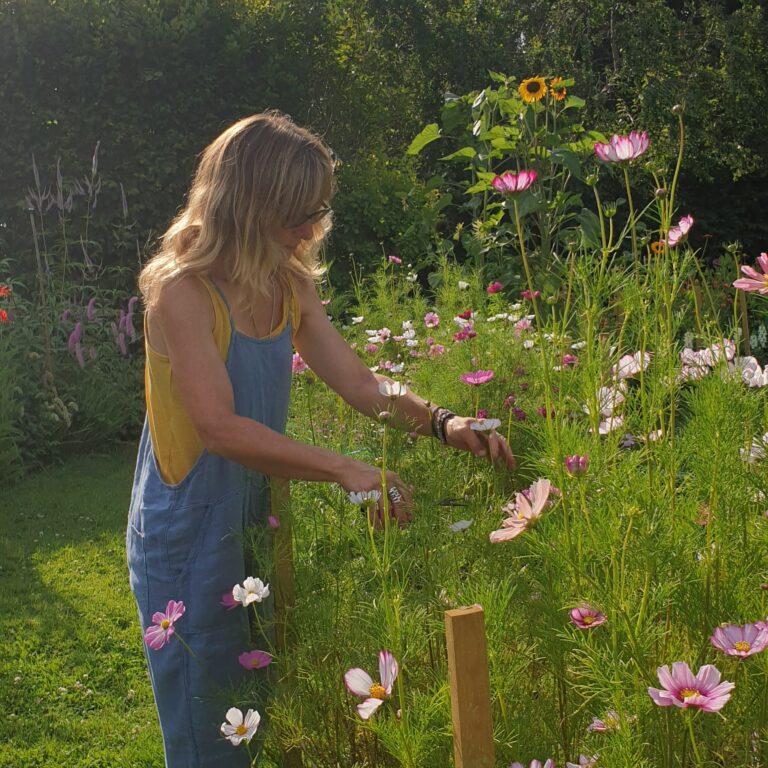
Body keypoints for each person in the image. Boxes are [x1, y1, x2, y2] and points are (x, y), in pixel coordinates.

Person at [126, 110, 515, 767]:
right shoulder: (183, 294)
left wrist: (445, 423)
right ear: (245, 208)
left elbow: (363, 388)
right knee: (207, 726)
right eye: (295, 215)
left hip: (257, 515)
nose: (310, 230)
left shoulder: (287, 281)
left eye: (317, 211)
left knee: (259, 703)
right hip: (187, 528)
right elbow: (218, 428)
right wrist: (343, 467)